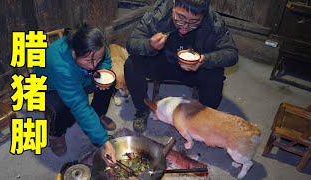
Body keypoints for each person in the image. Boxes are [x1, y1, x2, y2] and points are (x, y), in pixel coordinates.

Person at [124, 0, 238, 133]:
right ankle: (142, 109)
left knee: (215, 75)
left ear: (204, 15)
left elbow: (232, 53)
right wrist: (149, 45)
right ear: (173, 5)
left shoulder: (214, 22)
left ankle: (202, 116)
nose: (185, 27)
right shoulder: (157, 15)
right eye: (180, 18)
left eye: (195, 22)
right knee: (132, 63)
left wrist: (205, 60)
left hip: (194, 70)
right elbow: (132, 42)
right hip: (162, 64)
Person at [33, 24, 116, 165]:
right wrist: (104, 141)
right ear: (74, 52)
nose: (94, 65)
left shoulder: (96, 47)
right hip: (49, 86)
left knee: (109, 79)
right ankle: (56, 134)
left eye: (97, 58)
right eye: (89, 60)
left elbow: (105, 61)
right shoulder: (61, 66)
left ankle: (97, 115)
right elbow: (79, 106)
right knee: (61, 107)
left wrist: (102, 71)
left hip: (80, 78)